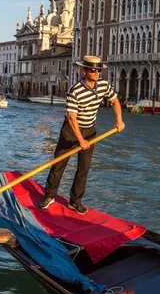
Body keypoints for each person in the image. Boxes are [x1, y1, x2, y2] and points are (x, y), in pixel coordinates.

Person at [38, 55, 125, 215]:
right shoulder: (74, 90)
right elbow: (72, 118)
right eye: (93, 70)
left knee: (84, 167)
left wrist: (119, 120)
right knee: (59, 164)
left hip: (90, 130)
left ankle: (75, 201)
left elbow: (115, 101)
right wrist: (80, 140)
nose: (97, 73)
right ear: (84, 71)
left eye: (98, 70)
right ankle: (49, 196)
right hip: (71, 131)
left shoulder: (104, 85)